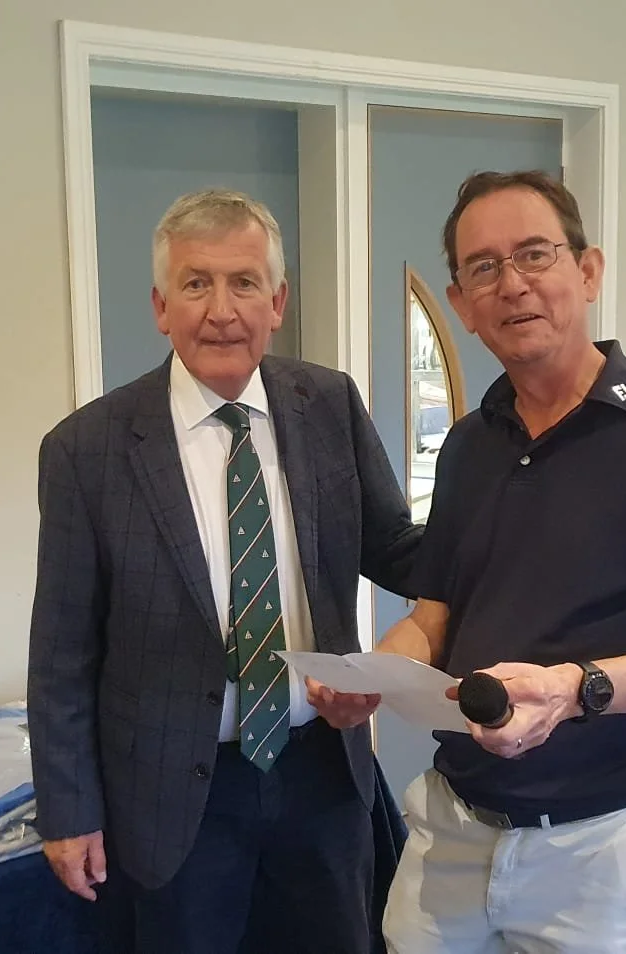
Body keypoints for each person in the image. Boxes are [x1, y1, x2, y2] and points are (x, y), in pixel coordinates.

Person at [368, 170, 626, 953]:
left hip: (600, 849)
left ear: (587, 271)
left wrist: (574, 690)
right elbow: (434, 617)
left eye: (534, 254)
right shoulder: (468, 445)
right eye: (484, 268)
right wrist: (378, 674)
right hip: (452, 827)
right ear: (461, 304)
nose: (512, 284)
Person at [27, 188, 422, 954]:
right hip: (174, 795)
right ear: (160, 306)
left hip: (320, 774)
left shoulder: (329, 404)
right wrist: (68, 809)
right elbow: (61, 652)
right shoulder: (87, 450)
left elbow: (397, 549)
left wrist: (500, 523)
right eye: (195, 284)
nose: (221, 310)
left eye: (244, 283)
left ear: (277, 302)